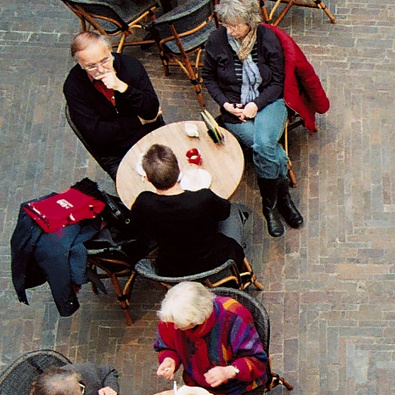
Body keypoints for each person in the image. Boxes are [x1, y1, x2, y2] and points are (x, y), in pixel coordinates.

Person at [201, 0, 302, 238]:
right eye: (227, 25)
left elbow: (277, 82)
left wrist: (256, 104)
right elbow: (208, 78)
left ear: (250, 22)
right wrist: (225, 104)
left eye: (235, 26)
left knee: (263, 144)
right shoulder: (216, 40)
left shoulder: (267, 40)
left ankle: (270, 206)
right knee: (270, 152)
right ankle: (281, 202)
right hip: (234, 112)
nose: (230, 31)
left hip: (268, 103)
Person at [130, 143, 254, 284]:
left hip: (172, 269)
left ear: (147, 179)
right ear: (179, 170)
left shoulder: (143, 203)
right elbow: (224, 212)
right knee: (234, 210)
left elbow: (138, 230)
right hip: (213, 260)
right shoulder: (202, 198)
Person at [63, 31, 162, 178]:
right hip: (116, 151)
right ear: (81, 65)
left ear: (110, 51)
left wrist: (123, 87)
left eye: (104, 61)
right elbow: (97, 135)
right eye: (91, 66)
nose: (101, 70)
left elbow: (151, 111)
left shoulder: (131, 66)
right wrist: (138, 121)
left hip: (149, 134)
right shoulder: (74, 87)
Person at [153, 280, 269, 395]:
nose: (174, 327)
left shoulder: (233, 316)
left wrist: (228, 371)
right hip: (196, 384)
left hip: (238, 388)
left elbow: (257, 361)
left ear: (198, 319)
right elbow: (166, 346)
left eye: (180, 324)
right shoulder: (172, 317)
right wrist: (169, 360)